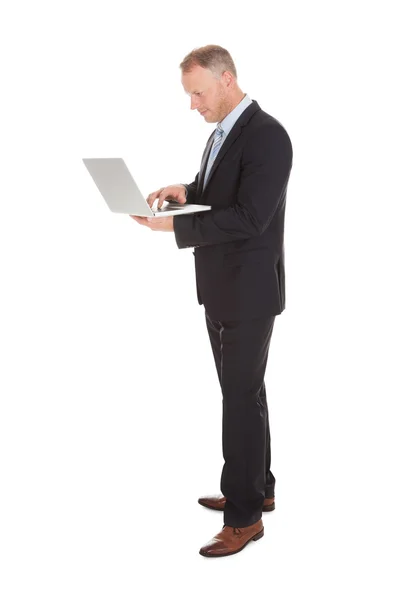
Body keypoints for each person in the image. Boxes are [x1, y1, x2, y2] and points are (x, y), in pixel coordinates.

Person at [130, 44, 293, 558]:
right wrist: (185, 188)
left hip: (248, 292)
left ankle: (244, 518)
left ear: (227, 80)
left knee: (238, 400)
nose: (193, 105)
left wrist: (175, 227)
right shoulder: (224, 134)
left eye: (198, 93)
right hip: (223, 286)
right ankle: (258, 486)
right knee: (245, 393)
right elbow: (219, 190)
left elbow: (250, 216)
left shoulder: (268, 135)